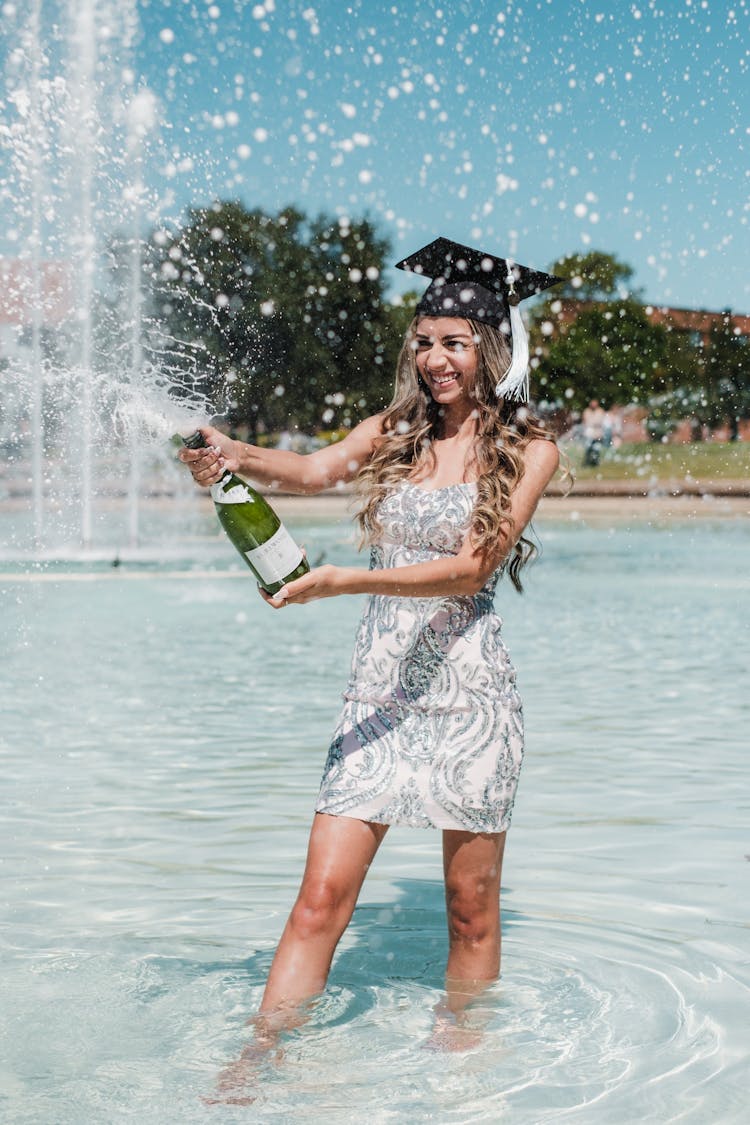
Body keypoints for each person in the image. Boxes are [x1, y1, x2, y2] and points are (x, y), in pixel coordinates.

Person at [180, 237, 562, 1064]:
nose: (434, 359)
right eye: (424, 341)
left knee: (470, 910)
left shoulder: (533, 448)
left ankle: (460, 1072)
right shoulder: (395, 430)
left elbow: (472, 568)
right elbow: (315, 471)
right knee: (320, 898)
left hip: (471, 702)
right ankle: (258, 1061)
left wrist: (345, 581)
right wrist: (234, 454)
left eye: (455, 342)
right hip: (378, 696)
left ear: (491, 350)